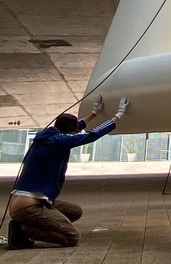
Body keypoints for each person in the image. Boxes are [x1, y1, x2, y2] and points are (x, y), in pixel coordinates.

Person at [7, 96, 129, 250]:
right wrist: (118, 116)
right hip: (27, 208)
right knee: (72, 237)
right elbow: (91, 135)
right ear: (68, 133)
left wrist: (94, 113)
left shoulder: (49, 136)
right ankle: (25, 230)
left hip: (37, 202)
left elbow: (77, 127)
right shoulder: (59, 142)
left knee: (74, 212)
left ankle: (29, 225)